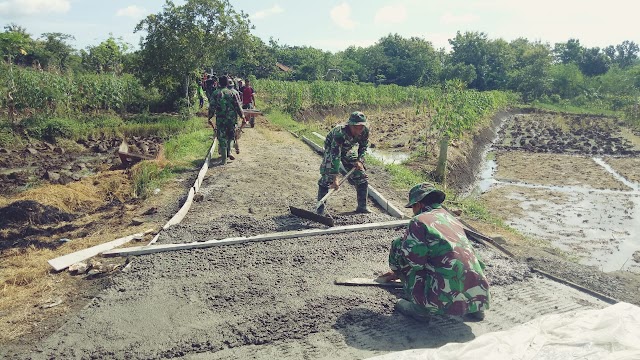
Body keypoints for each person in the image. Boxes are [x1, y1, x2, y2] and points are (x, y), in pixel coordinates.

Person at [379, 183, 490, 322]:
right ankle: (476, 307)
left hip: (443, 292)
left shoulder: (419, 221)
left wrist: (398, 270)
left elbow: (415, 262)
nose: (413, 211)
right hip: (478, 289)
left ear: (418, 205)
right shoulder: (452, 219)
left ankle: (420, 308)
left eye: (413, 207)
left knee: (399, 245)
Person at [317, 111, 370, 215]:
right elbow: (335, 156)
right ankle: (320, 210)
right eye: (356, 127)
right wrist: (335, 177)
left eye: (361, 127)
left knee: (362, 176)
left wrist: (360, 160)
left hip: (347, 149)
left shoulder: (364, 131)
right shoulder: (339, 133)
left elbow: (363, 147)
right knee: (327, 179)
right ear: (350, 125)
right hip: (331, 148)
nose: (359, 130)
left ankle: (362, 207)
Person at [208, 76, 245, 164]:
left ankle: (224, 160)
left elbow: (212, 107)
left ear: (219, 83)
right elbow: (238, 106)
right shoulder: (233, 93)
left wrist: (209, 117)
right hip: (232, 119)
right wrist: (242, 116)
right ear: (227, 83)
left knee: (222, 137)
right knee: (231, 136)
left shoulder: (215, 93)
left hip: (221, 119)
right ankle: (229, 152)